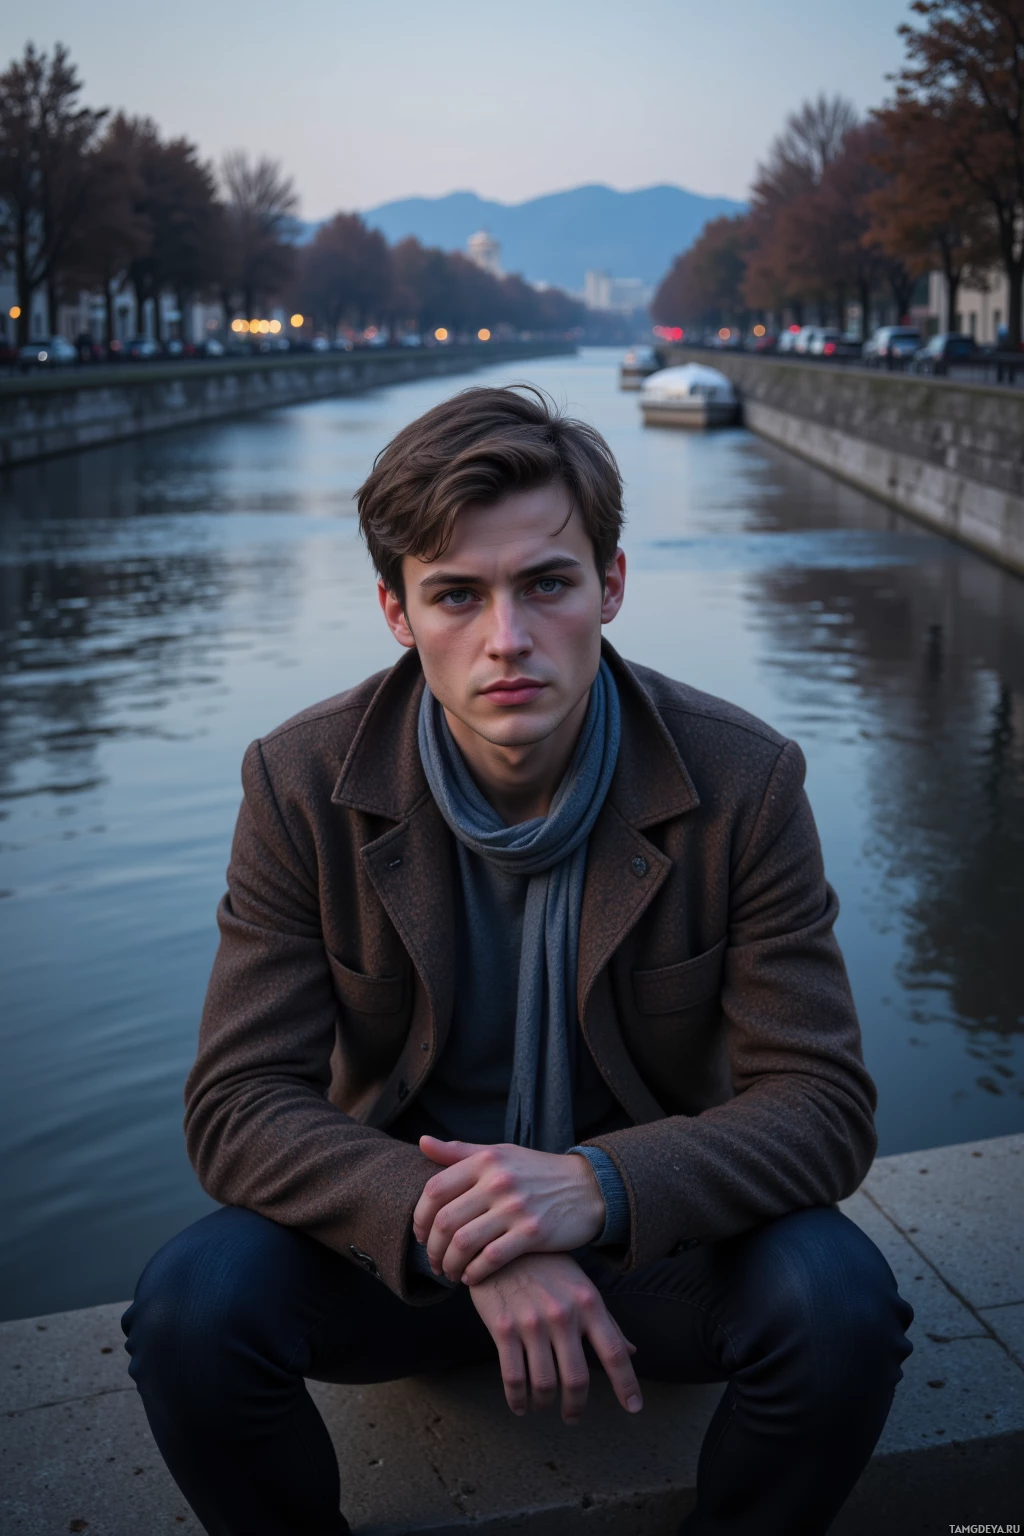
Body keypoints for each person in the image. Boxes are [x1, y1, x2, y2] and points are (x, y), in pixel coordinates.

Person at [122, 385, 914, 1535]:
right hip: (403, 1259)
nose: (507, 639)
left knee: (839, 1309)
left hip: (646, 1252)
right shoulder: (301, 784)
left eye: (547, 583)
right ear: (396, 612)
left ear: (611, 586)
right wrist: (472, 1230)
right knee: (191, 1310)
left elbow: (822, 1107)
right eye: (456, 594)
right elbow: (237, 1106)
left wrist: (593, 1190)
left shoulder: (742, 782)